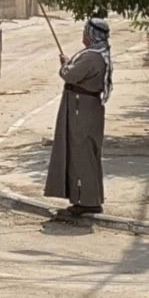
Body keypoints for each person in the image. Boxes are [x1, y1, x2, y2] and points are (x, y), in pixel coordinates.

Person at [44, 18, 113, 215]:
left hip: (82, 109)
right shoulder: (97, 54)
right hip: (84, 107)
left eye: (85, 31)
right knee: (83, 153)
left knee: (81, 153)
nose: (83, 35)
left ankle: (88, 201)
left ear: (91, 34)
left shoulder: (92, 57)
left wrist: (65, 65)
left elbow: (70, 75)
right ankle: (85, 198)